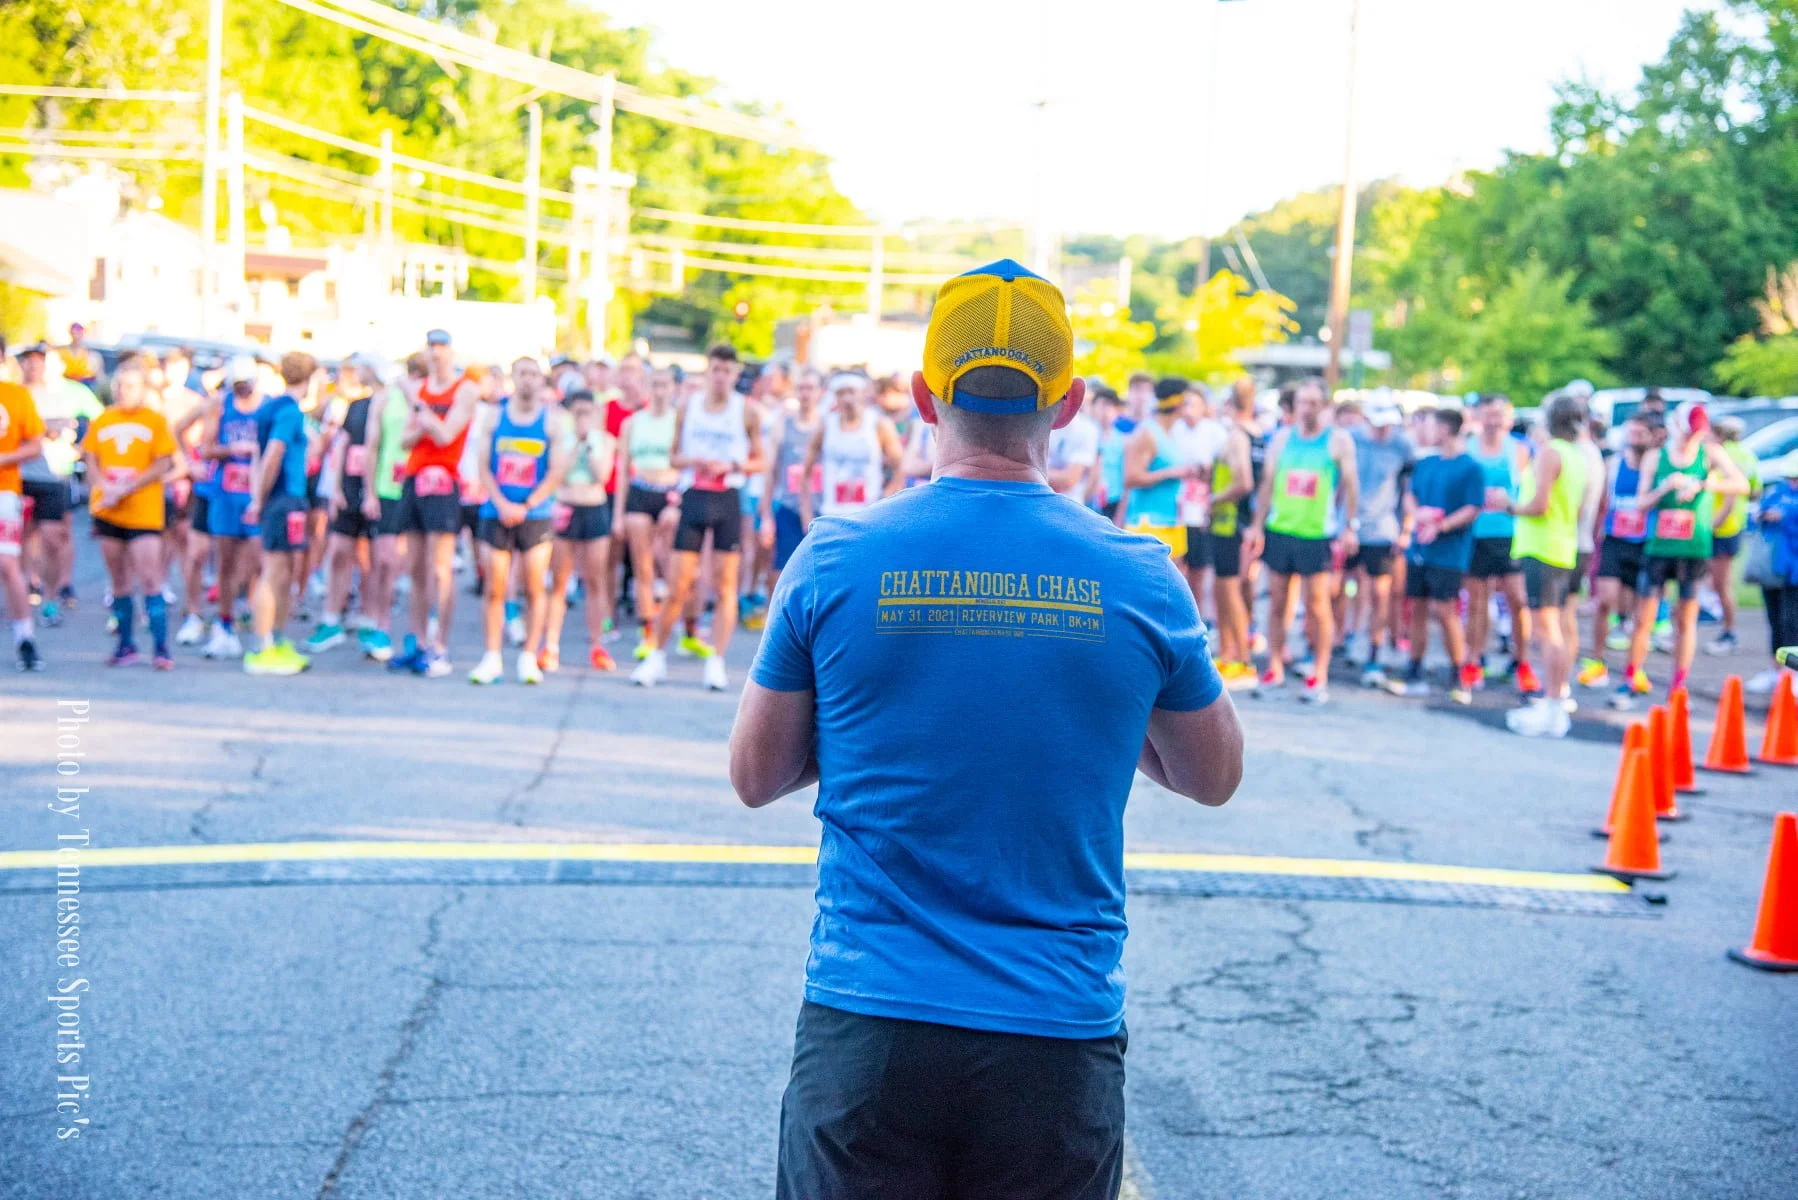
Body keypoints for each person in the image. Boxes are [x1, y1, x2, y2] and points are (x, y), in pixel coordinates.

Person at [731, 259, 1243, 1200]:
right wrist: (1095, 697)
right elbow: (1212, 775)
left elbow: (757, 773)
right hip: (1056, 1028)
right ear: (1072, 402)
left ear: (925, 396)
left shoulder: (836, 557)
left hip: (870, 1017)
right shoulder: (1137, 574)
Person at [630, 343, 765, 692]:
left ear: (736, 375)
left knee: (725, 586)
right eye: (715, 370)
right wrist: (694, 462)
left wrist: (732, 465)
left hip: (727, 498)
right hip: (695, 495)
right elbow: (672, 457)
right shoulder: (689, 406)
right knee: (678, 584)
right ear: (708, 372)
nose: (721, 377)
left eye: (727, 371)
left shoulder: (746, 410)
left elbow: (761, 460)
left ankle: (716, 661)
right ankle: (656, 656)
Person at [1244, 377, 1361, 704]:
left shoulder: (1337, 440)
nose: (1305, 409)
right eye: (1300, 403)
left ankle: (1318, 674)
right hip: (1281, 529)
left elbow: (1351, 485)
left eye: (1312, 403)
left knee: (1317, 605)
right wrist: (1257, 525)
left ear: (1323, 406)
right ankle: (1275, 667)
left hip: (1316, 534)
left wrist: (1351, 526)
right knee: (1278, 601)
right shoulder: (1282, 438)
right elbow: (1267, 483)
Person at [1622, 403, 1748, 702]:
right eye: (1689, 433)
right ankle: (1631, 678)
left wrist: (1703, 483)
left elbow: (1741, 484)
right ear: (1677, 427)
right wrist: (1664, 487)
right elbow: (1640, 504)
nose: (1693, 439)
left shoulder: (1709, 454)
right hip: (1660, 547)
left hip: (1693, 548)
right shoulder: (1657, 456)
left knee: (1686, 619)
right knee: (1644, 618)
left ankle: (1678, 686)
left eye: (1697, 435)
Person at [467, 356, 572, 684]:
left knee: (534, 586)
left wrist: (526, 505)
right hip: (496, 511)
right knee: (495, 587)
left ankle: (529, 654)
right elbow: (483, 466)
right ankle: (492, 655)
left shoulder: (552, 421)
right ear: (513, 377)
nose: (528, 380)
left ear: (541, 381)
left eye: (533, 375)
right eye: (522, 374)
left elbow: (556, 472)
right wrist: (501, 503)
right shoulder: (495, 417)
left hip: (534, 514)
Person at [1502, 395, 1591, 737]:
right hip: (1563, 545)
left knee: (1546, 630)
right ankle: (1554, 701)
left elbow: (1538, 505)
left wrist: (1508, 506)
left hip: (1543, 548)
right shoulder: (1576, 454)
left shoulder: (1551, 453)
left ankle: (1553, 703)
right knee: (1556, 627)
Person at [391, 329, 478, 677]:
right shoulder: (424, 389)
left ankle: (440, 644)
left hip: (443, 481)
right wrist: (425, 419)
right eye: (431, 347)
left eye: (442, 347)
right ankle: (417, 641)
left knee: (442, 567)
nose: (436, 353)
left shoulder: (464, 389)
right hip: (415, 478)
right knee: (415, 566)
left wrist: (421, 411)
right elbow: (406, 439)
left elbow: (446, 434)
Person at [80, 363, 178, 669]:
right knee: (119, 581)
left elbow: (163, 464)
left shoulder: (155, 421)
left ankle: (161, 647)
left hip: (143, 512)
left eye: (132, 386)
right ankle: (125, 645)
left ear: (143, 389)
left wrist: (129, 486)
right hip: (109, 510)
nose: (124, 391)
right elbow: (90, 458)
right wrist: (103, 486)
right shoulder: (104, 419)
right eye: (121, 385)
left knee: (150, 578)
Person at [1391, 406, 1485, 702]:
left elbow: (1473, 508)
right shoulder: (1426, 462)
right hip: (1420, 549)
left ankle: (1459, 674)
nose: (1423, 431)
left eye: (1429, 425)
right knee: (1416, 608)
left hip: (1450, 552)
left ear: (1444, 429)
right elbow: (1410, 495)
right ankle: (1415, 671)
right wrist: (1417, 515)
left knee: (1445, 611)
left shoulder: (1471, 467)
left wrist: (1441, 526)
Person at [241, 352, 318, 676]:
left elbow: (259, 454)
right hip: (284, 498)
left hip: (285, 499)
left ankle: (277, 638)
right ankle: (262, 646)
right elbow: (272, 454)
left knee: (285, 570)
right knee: (274, 571)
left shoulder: (271, 407)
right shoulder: (288, 412)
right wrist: (259, 498)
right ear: (311, 377)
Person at [16, 342, 100, 624]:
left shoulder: (68, 393)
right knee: (22, 537)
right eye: (28, 360)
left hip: (54, 475)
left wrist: (81, 449)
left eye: (39, 360)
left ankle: (54, 593)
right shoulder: (17, 393)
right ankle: (28, 590)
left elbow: (100, 420)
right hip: (19, 475)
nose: (34, 366)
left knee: (55, 536)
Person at [1582, 410, 1658, 704]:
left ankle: (1633, 670)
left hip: (1644, 544)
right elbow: (1602, 500)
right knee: (1604, 600)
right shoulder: (1614, 464)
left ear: (1652, 437)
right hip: (1614, 540)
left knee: (1637, 611)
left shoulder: (1655, 466)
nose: (1633, 439)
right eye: (1631, 433)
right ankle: (1597, 662)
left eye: (1640, 434)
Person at [306, 359, 381, 654]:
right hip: (349, 489)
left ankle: (368, 617)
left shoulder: (387, 406)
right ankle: (331, 617)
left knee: (371, 559)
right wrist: (335, 488)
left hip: (376, 492)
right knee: (339, 551)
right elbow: (341, 446)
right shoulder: (355, 406)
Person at [542, 388, 618, 673]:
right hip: (567, 506)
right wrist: (577, 444)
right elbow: (559, 472)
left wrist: (589, 443)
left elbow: (602, 475)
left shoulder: (606, 441)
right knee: (559, 581)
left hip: (593, 507)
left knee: (595, 579)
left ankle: (598, 644)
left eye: (588, 413)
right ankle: (551, 644)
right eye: (578, 413)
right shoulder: (562, 438)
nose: (582, 418)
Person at [1464, 393, 1535, 693]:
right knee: (1478, 602)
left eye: (1499, 415)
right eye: (1488, 415)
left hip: (1510, 534)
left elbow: (1529, 490)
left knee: (1518, 600)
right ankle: (1473, 660)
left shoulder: (1518, 450)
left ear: (1508, 419)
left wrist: (1511, 504)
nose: (1493, 421)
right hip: (1476, 533)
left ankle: (1522, 661)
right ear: (1480, 417)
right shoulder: (1469, 449)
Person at [198, 356, 265, 660]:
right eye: (237, 386)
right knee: (225, 562)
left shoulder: (267, 406)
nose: (242, 391)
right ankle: (225, 624)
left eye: (246, 385)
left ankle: (258, 623)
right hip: (226, 493)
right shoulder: (220, 405)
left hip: (255, 495)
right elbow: (206, 448)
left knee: (258, 561)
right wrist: (233, 449)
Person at [614, 365, 682, 657]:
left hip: (669, 493)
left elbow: (687, 466)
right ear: (646, 388)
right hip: (640, 492)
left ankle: (677, 625)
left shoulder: (679, 420)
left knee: (671, 566)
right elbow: (622, 472)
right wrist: (618, 513)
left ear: (673, 388)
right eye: (654, 385)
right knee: (642, 565)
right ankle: (648, 631)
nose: (659, 391)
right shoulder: (633, 423)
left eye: (664, 385)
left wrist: (677, 500)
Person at [1345, 400, 1414, 687]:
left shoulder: (1402, 446)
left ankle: (1374, 655)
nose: (1381, 429)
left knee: (1380, 595)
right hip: (1349, 527)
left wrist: (1406, 529)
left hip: (1383, 530)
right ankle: (1343, 638)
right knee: (1340, 589)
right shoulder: (1352, 439)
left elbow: (1407, 490)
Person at [798, 373, 903, 530]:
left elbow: (899, 468)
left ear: (862, 393)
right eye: (841, 393)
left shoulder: (879, 424)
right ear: (835, 397)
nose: (847, 399)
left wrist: (888, 503)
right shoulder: (826, 426)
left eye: (851, 392)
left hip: (869, 516)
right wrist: (806, 514)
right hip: (832, 515)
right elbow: (805, 472)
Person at [758, 367, 825, 595]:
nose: (805, 394)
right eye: (801, 388)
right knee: (780, 572)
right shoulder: (783, 425)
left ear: (820, 392)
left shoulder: (827, 426)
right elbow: (771, 471)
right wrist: (766, 514)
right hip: (788, 507)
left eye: (810, 388)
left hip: (820, 510)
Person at [1207, 393, 1256, 687]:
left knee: (1229, 589)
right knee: (1225, 588)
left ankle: (1243, 659)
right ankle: (1228, 656)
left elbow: (1244, 482)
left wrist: (1213, 499)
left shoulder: (1237, 436)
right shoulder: (1255, 435)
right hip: (1233, 523)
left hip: (1230, 523)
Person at [1705, 415, 1761, 655]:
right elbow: (1755, 490)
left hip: (1719, 526)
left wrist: (1711, 524)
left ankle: (1730, 632)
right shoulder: (1748, 454)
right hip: (1732, 526)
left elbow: (1730, 495)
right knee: (1714, 582)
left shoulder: (1722, 454)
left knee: (1720, 584)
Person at [1, 366, 45, 669]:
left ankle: (25, 638)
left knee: (7, 562)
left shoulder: (16, 395)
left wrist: (4, 458)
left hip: (4, 491)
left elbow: (34, 445)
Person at [1748, 454, 1798, 693]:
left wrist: (1787, 514)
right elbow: (1761, 509)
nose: (1792, 483)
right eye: (1790, 478)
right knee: (1775, 620)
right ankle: (1776, 672)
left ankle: (1792, 675)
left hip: (1794, 572)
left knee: (1792, 622)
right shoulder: (1780, 492)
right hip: (1774, 569)